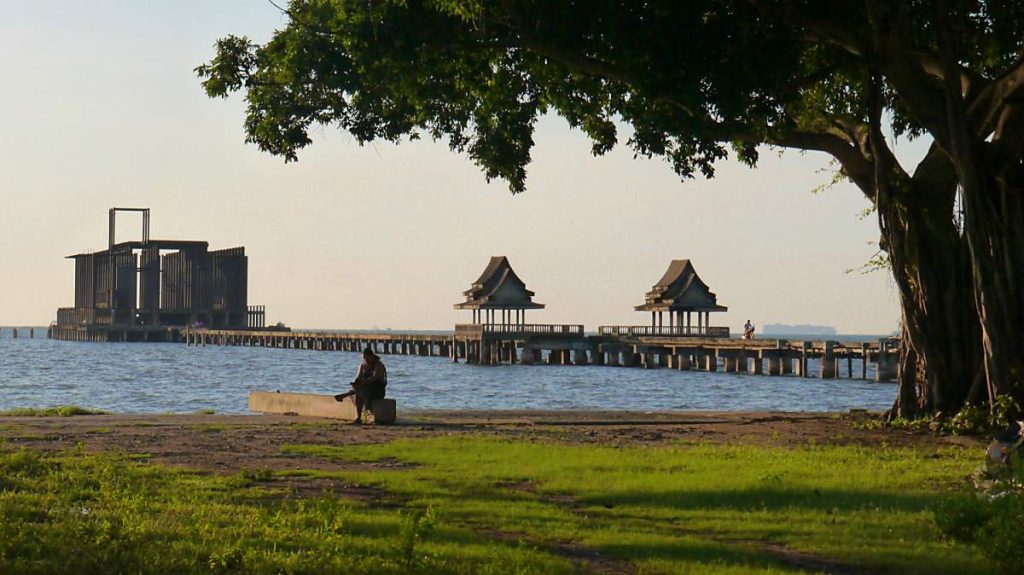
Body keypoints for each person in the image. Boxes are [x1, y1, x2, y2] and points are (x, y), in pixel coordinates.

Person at [335, 347, 388, 423]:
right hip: (364, 389)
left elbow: (375, 378)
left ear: (371, 356)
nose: (365, 359)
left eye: (367, 357)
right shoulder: (362, 366)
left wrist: (364, 382)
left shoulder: (378, 365)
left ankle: (367, 418)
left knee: (366, 395)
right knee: (359, 396)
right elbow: (358, 378)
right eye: (364, 358)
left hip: (377, 389)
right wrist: (356, 383)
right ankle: (359, 417)